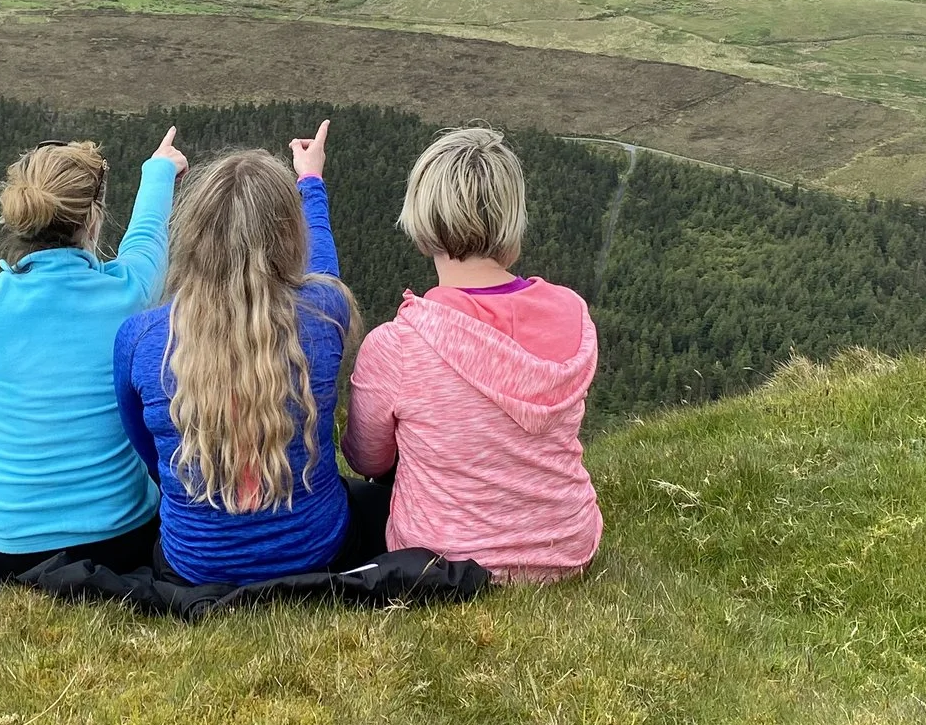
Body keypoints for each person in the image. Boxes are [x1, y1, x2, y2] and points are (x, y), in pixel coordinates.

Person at [113, 121, 384, 585]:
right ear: (290, 238)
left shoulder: (141, 338)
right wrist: (310, 181)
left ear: (193, 237)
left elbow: (148, 450)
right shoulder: (325, 312)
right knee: (379, 501)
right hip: (317, 552)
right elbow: (323, 271)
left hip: (194, 564)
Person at [0, 127, 185, 583]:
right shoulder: (130, 292)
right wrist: (159, 170)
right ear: (92, 219)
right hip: (124, 542)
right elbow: (147, 240)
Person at [343, 126, 602, 582]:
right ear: (513, 217)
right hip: (567, 549)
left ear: (422, 221)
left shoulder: (398, 345)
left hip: (443, 562)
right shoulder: (573, 315)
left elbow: (368, 460)